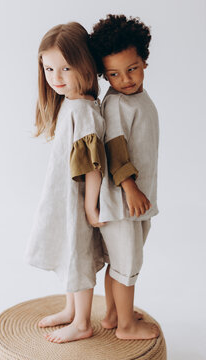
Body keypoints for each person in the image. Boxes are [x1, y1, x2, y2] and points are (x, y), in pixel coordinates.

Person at [25, 22, 106, 343]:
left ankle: (83, 322)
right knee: (69, 252)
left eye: (66, 68)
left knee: (79, 256)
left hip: (78, 199)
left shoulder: (83, 110)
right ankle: (72, 309)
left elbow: (93, 163)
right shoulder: (70, 105)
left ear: (84, 66)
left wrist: (90, 205)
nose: (56, 77)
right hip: (64, 196)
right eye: (49, 69)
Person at [90, 14, 160, 340]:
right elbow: (114, 147)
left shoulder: (137, 98)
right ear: (104, 75)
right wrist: (129, 187)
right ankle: (125, 327)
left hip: (138, 198)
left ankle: (113, 314)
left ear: (144, 60)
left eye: (131, 68)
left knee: (121, 262)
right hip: (122, 200)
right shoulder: (116, 104)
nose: (125, 79)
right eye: (113, 74)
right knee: (127, 263)